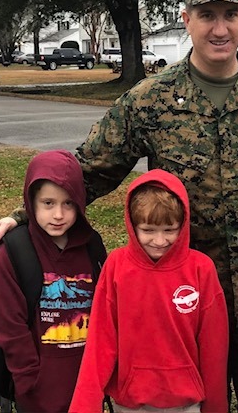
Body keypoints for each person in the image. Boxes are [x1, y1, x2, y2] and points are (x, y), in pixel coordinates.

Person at [0, 0, 238, 412]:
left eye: (230, 14)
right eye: (207, 15)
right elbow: (90, 170)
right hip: (176, 304)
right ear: (186, 19)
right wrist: (22, 216)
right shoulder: (150, 100)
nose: (219, 28)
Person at [69, 169, 228, 413]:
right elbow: (101, 339)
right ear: (133, 226)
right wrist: (84, 405)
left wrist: (216, 407)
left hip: (185, 402)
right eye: (148, 230)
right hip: (131, 402)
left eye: (169, 229)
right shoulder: (116, 266)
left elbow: (214, 346)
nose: (159, 240)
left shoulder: (201, 269)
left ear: (183, 225)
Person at [0, 150, 105, 412]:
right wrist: (28, 378)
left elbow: (106, 311)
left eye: (68, 203)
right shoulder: (15, 252)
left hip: (86, 383)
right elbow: (9, 324)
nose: (58, 215)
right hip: (38, 389)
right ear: (31, 202)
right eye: (48, 203)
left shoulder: (92, 247)